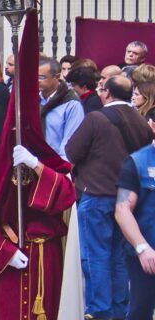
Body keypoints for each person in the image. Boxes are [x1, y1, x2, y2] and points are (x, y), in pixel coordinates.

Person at [0, 10, 77, 320]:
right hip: (11, 253)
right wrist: (4, 252)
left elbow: (66, 194)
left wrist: (37, 166)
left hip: (45, 253)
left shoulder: (50, 160)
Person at [65, 73, 152, 319]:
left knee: (96, 255)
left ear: (108, 93)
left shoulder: (95, 118)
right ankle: (119, 308)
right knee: (120, 257)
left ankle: (100, 309)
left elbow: (72, 152)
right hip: (129, 199)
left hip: (97, 194)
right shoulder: (141, 121)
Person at [115, 132, 155, 319]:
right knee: (141, 311)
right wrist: (142, 247)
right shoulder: (137, 163)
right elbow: (122, 210)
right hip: (148, 258)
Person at [39, 57, 85, 160]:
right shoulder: (33, 99)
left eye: (41, 77)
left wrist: (61, 167)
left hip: (56, 163)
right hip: (32, 162)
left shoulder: (71, 103)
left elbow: (71, 140)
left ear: (56, 77)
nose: (37, 81)